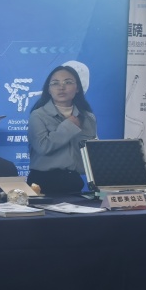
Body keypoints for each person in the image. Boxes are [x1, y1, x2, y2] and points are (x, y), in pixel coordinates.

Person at [28, 65, 97, 194]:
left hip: (74, 181)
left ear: (77, 88)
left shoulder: (88, 118)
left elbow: (92, 153)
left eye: (68, 82)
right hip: (42, 182)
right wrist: (69, 126)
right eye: (55, 83)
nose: (61, 87)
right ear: (48, 90)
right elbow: (43, 147)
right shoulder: (38, 115)